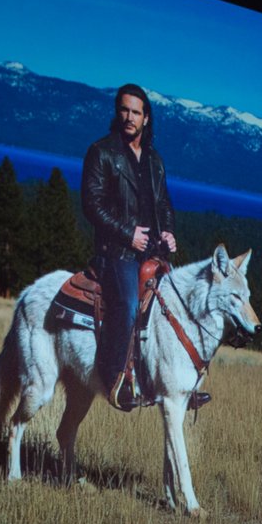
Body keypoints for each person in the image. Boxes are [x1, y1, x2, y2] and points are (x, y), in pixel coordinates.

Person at [82, 83, 177, 410]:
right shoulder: (102, 151)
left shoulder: (154, 160)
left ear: (146, 118)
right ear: (116, 112)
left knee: (178, 304)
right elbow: (91, 205)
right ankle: (114, 381)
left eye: (136, 112)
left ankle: (176, 384)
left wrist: (168, 232)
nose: (129, 117)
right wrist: (127, 234)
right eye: (124, 110)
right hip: (117, 253)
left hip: (152, 251)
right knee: (128, 304)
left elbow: (164, 203)